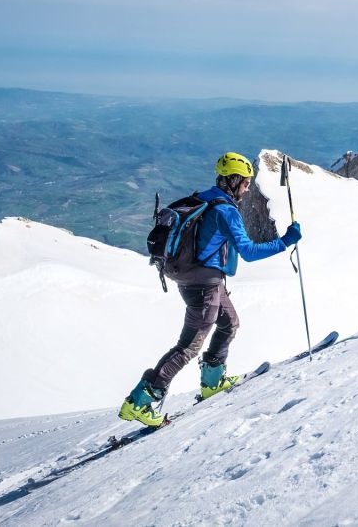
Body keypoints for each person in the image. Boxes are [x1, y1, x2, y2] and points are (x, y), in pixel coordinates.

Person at [119, 152, 303, 427]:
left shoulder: (204, 197)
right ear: (233, 180)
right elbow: (249, 252)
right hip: (202, 286)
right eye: (245, 183)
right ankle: (140, 402)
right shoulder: (225, 210)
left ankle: (212, 383)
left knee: (229, 323)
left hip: (201, 280)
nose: (247, 188)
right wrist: (286, 241)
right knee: (188, 346)